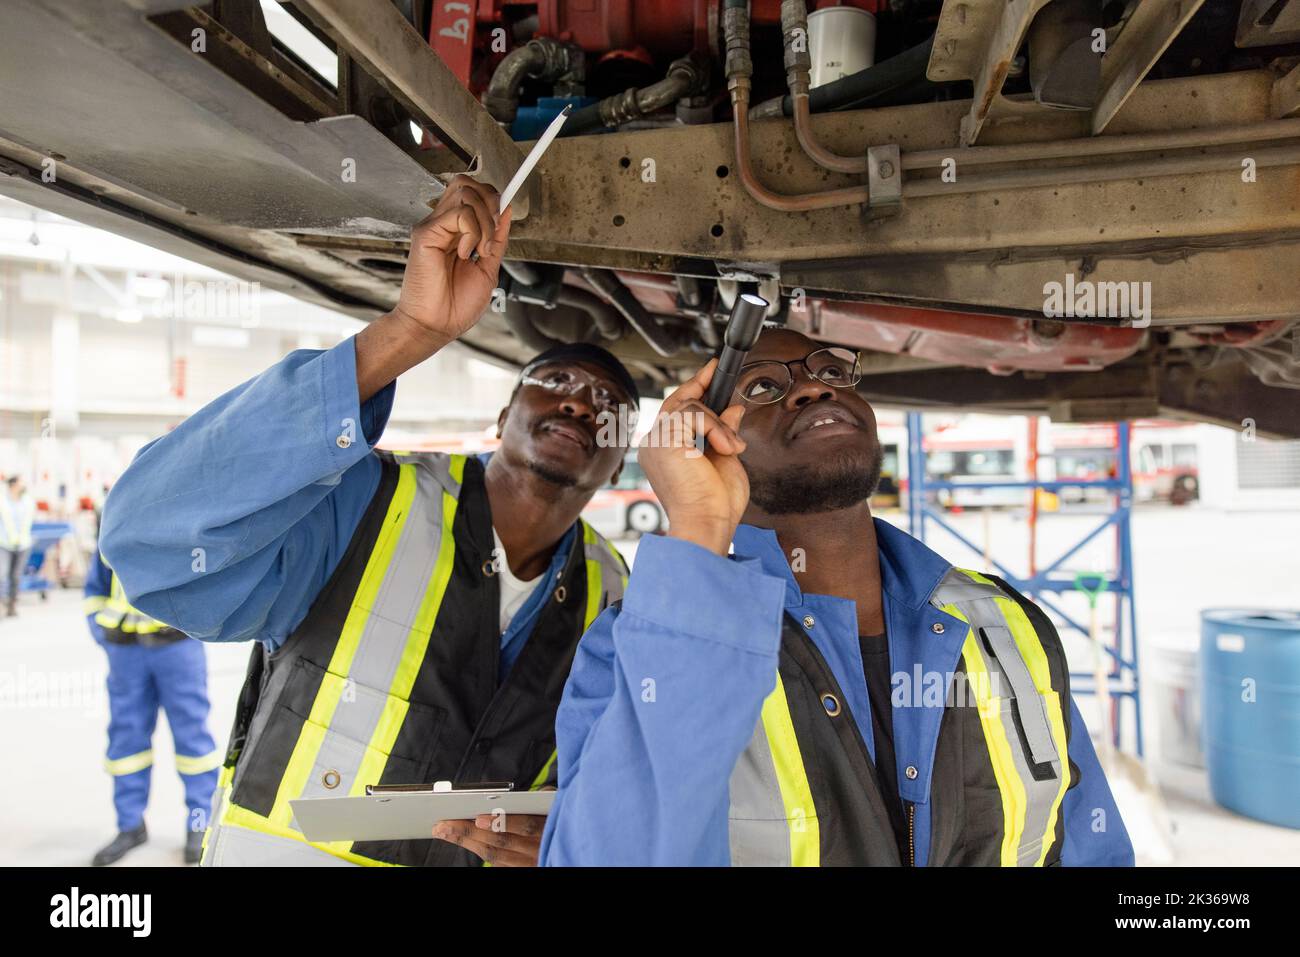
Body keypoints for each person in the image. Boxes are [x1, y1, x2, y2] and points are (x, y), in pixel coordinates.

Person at [99, 175, 633, 867]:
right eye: (556, 381)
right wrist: (407, 333)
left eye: (607, 402)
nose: (580, 405)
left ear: (621, 461)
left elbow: (608, 775)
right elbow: (151, 539)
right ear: (503, 417)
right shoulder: (373, 502)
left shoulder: (615, 594)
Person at [540, 329, 1135, 866]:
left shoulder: (1005, 623)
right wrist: (697, 522)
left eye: (828, 372)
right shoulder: (642, 642)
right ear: (711, 441)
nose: (810, 392)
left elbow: (1090, 847)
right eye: (765, 386)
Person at [84, 547, 220, 865]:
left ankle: (199, 823)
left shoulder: (182, 513)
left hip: (178, 646)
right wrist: (101, 630)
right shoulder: (113, 516)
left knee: (193, 740)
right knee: (125, 740)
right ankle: (129, 826)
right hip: (125, 650)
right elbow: (95, 587)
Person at [0, 475, 35, 617]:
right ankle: (2, 604)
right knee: (1, 575)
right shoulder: (2, 501)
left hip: (22, 545)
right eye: (21, 483)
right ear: (12, 485)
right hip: (4, 544)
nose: (23, 486)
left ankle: (12, 606)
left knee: (15, 576)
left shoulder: (27, 501)